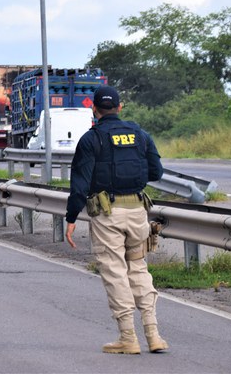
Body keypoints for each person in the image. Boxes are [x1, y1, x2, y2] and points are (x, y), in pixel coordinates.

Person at [65, 86, 169, 354]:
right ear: (120, 107)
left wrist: (71, 217)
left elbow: (80, 184)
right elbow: (156, 172)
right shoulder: (140, 135)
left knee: (115, 272)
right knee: (138, 268)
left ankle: (128, 338)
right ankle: (154, 335)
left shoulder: (91, 139)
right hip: (138, 212)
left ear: (94, 109)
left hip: (107, 214)